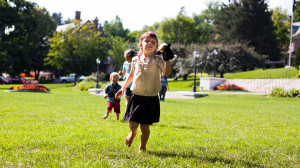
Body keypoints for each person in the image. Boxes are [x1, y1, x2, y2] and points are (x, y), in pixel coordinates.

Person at [115, 31, 171, 153]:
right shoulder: (135, 59)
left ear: (156, 46)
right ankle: (132, 132)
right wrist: (123, 88)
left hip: (150, 97)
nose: (150, 43)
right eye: (147, 41)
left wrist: (166, 60)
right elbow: (131, 75)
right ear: (140, 44)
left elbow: (166, 72)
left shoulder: (158, 59)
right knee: (132, 122)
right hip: (136, 95)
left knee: (145, 126)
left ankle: (142, 147)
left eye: (153, 42)